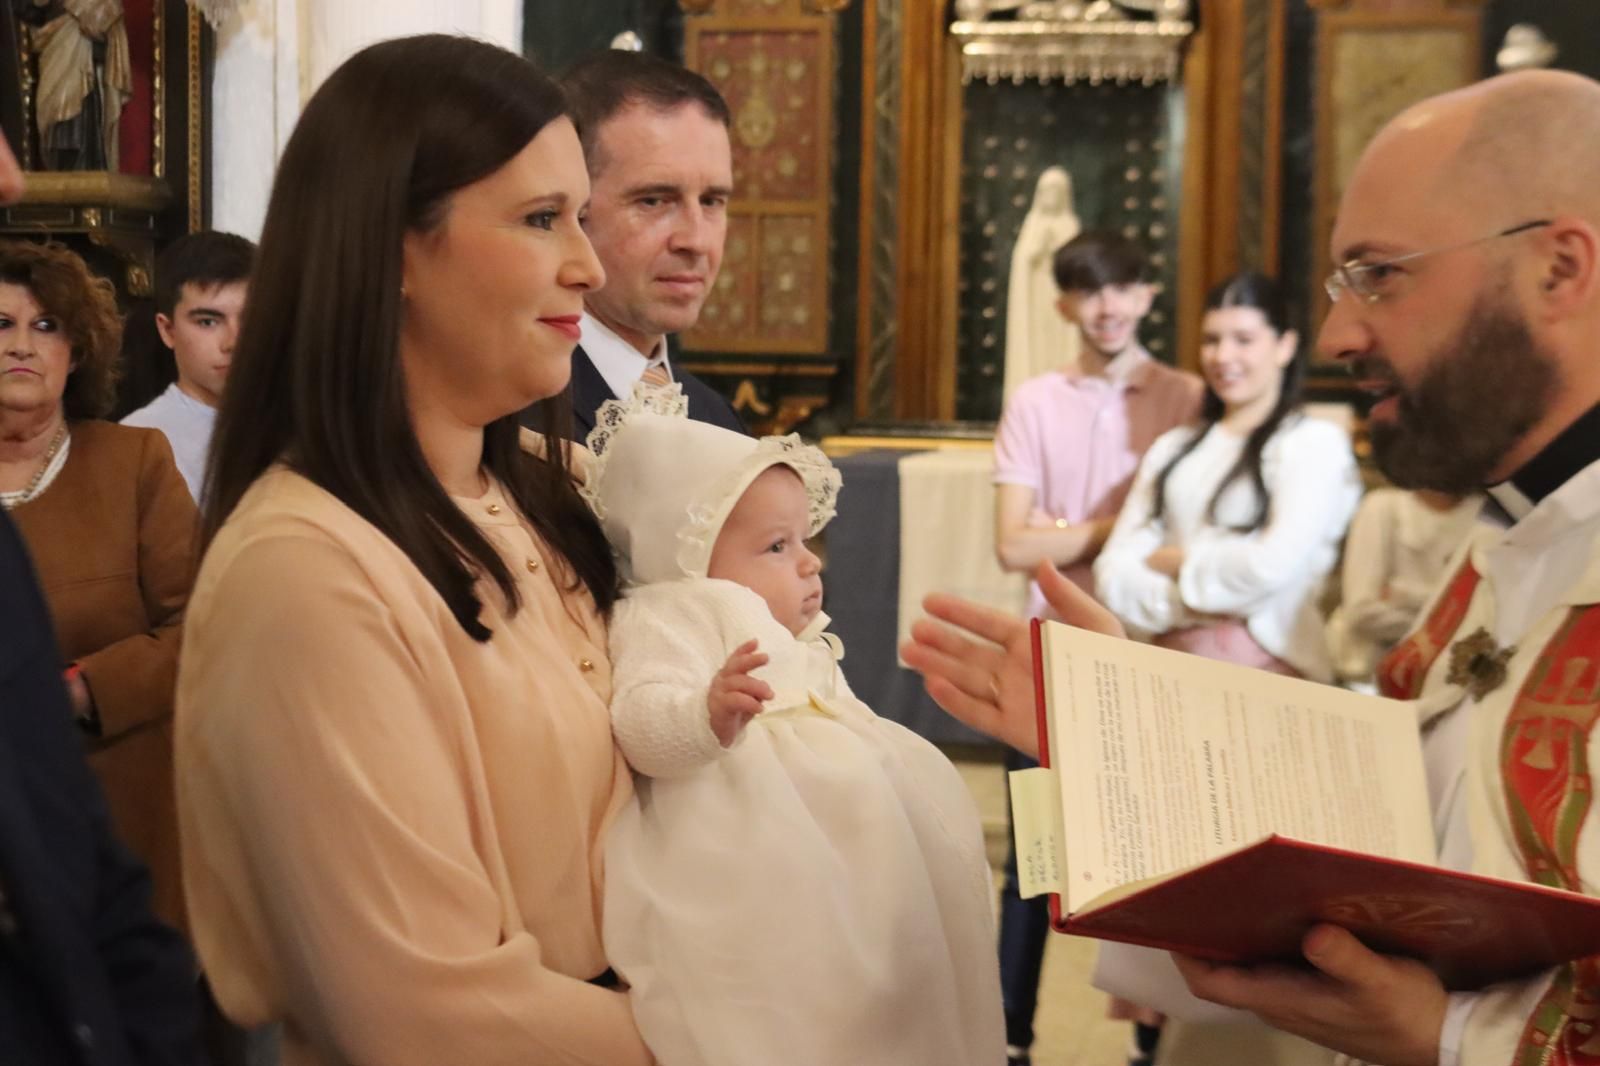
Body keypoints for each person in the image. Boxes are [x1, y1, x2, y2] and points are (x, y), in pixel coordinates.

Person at [902, 69, 1600, 1066]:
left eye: (1379, 274)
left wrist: (1445, 1038)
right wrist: (1129, 729)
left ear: (1557, 269)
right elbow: (1420, 853)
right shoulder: (1504, 543)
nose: (1337, 334)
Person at [174, 35, 658, 1065]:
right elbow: (423, 1015)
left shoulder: (543, 489)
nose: (589, 263)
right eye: (540, 220)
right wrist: (748, 1034)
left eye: (580, 214)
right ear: (392, 245)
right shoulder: (307, 568)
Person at [587, 385, 1004, 1066]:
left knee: (894, 948)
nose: (810, 561)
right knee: (792, 982)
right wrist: (704, 715)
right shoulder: (672, 610)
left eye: (805, 540)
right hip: (750, 832)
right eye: (777, 546)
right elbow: (639, 718)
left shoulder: (794, 632)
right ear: (686, 553)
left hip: (839, 829)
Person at [0, 124, 202, 1066]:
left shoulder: (132, 462)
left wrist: (82, 692)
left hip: (120, 812)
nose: (22, 348)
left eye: (44, 327)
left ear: (78, 349)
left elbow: (202, 626)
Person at [990, 227, 1200, 1066]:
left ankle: (1152, 1042)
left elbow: (1188, 542)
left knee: (1162, 859)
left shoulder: (1187, 397)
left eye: (1121, 289)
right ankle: (1009, 1037)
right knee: (1035, 860)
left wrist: (1067, 533)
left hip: (1155, 654)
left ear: (1147, 296)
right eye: (1089, 291)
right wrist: (1122, 529)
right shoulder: (1036, 400)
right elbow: (1010, 546)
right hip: (1050, 659)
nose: (1107, 306)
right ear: (1064, 305)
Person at [1094, 271, 1361, 682]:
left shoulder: (1312, 444)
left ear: (1284, 346)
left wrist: (1180, 562)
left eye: (1243, 340)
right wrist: (1198, 602)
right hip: (1165, 671)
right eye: (1211, 340)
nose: (1223, 357)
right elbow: (1113, 573)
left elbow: (1271, 567)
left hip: (1273, 675)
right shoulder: (1173, 447)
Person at [519, 49, 742, 440]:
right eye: (654, 201)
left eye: (711, 201)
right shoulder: (509, 410)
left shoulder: (717, 417)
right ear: (568, 205)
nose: (695, 240)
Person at [122, 231, 256, 502]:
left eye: (250, 318)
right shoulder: (136, 441)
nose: (233, 342)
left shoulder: (301, 430)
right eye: (208, 321)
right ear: (168, 330)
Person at [1324, 487, 1480, 690]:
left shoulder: (1483, 517)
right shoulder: (1383, 507)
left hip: (1445, 682)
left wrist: (1403, 595)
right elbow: (1361, 613)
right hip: (1369, 677)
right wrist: (1446, 615)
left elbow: (1478, 615)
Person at [1002, 166, 1082, 400]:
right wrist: (1037, 248)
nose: (1051, 196)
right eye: (1047, 191)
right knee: (1036, 344)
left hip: (1060, 295)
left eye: (1056, 191)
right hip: (1036, 294)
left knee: (1059, 344)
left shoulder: (1069, 224)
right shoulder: (1033, 224)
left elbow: (1075, 264)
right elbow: (1023, 259)